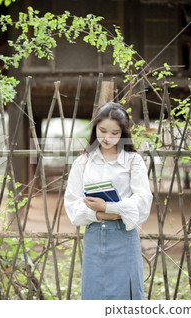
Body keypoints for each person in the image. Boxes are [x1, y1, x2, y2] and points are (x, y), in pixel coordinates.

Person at [64, 102, 153, 300]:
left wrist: (107, 206)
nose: (107, 138)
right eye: (102, 130)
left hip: (125, 237)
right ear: (95, 128)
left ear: (123, 133)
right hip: (95, 237)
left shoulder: (133, 161)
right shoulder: (83, 162)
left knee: (126, 299)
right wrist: (102, 214)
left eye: (115, 133)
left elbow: (143, 203)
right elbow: (73, 205)